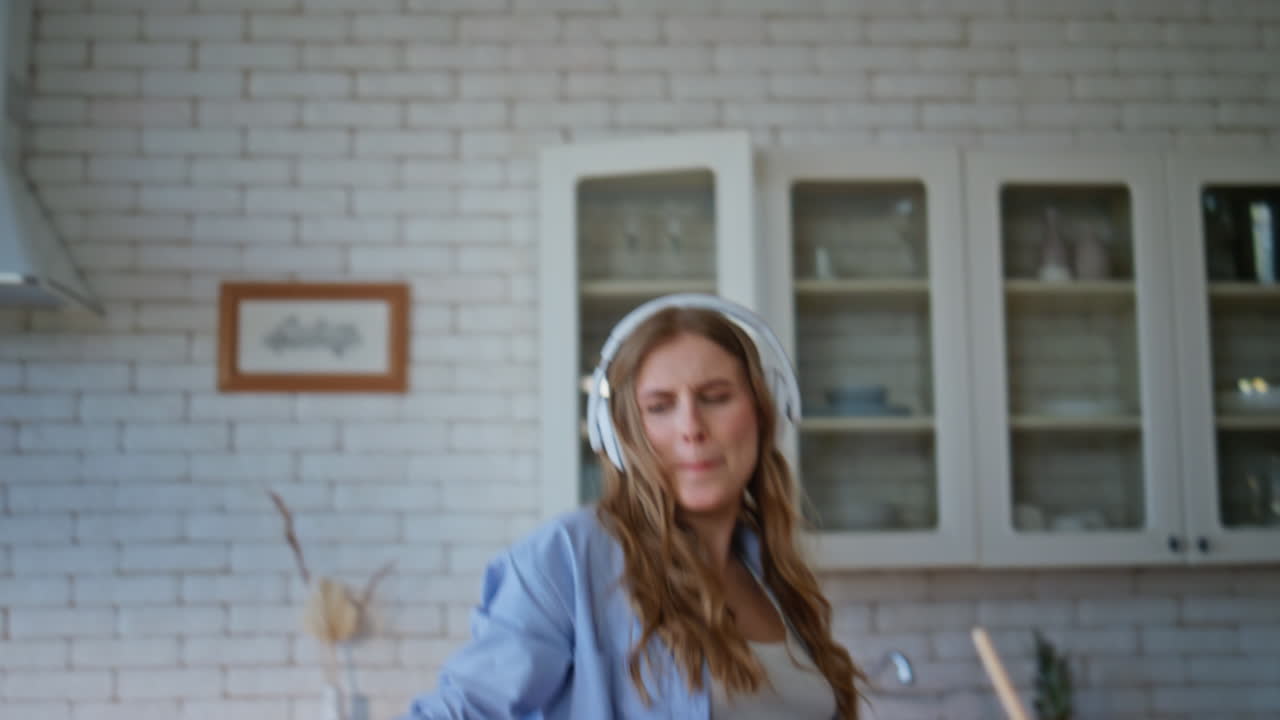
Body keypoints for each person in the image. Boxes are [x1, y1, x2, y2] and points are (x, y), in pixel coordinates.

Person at [399, 294, 863, 719]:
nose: (691, 428)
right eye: (659, 407)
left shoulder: (771, 574)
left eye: (715, 398)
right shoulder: (570, 559)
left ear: (764, 412)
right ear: (622, 435)